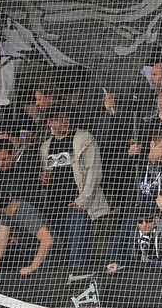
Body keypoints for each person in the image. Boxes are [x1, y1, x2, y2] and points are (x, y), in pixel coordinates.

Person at [39, 107, 110, 266]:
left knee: (76, 252)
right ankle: (51, 287)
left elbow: (95, 170)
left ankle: (77, 287)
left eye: (65, 117)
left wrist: (82, 201)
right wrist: (45, 181)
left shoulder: (83, 138)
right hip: (53, 207)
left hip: (76, 206)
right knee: (51, 253)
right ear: (49, 122)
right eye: (58, 119)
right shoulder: (45, 147)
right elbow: (48, 175)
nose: (64, 121)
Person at [0, 187, 53, 276]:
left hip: (48, 258)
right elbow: (1, 239)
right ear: (10, 193)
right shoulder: (6, 214)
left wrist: (33, 267)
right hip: (30, 255)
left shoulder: (26, 214)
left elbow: (47, 240)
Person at [106, 206, 162, 273]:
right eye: (140, 221)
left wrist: (145, 265)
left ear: (156, 219)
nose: (144, 224)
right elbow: (130, 260)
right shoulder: (134, 234)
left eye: (148, 220)